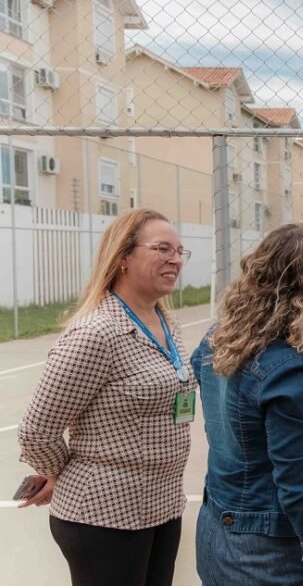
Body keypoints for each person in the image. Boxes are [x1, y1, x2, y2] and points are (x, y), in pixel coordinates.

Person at [17, 208, 194, 586]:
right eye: (163, 249)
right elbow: (36, 429)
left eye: (180, 251)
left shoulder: (164, 321)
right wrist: (56, 471)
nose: (175, 259)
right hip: (104, 513)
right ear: (124, 257)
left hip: (160, 506)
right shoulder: (97, 333)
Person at [191, 223, 303, 586]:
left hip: (215, 529)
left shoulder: (215, 341)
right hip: (264, 552)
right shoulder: (287, 373)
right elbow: (297, 483)